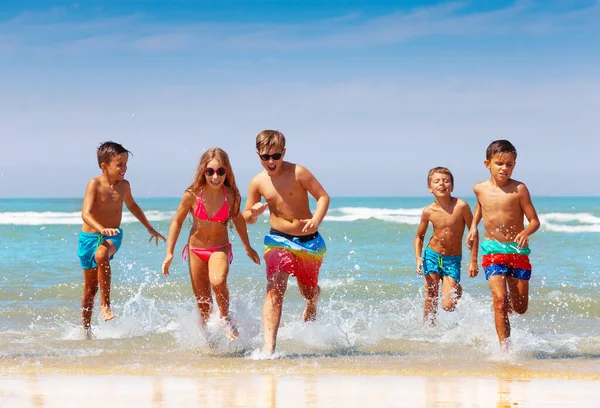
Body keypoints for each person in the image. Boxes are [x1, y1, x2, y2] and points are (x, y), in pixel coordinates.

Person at [243, 130, 330, 356]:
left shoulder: (298, 172)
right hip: (277, 240)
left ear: (284, 152)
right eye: (265, 157)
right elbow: (247, 218)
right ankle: (269, 348)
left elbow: (323, 196)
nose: (271, 162)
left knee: (308, 291)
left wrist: (316, 219)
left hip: (309, 241)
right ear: (258, 155)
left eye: (276, 156)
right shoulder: (257, 182)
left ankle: (312, 302)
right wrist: (253, 212)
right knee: (275, 286)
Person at [162, 147, 260, 342]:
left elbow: (239, 220)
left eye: (220, 171)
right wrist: (169, 253)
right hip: (196, 250)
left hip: (219, 248)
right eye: (210, 172)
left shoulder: (231, 196)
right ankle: (210, 346)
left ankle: (224, 317)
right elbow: (177, 222)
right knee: (203, 305)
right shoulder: (192, 194)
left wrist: (248, 247)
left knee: (218, 281)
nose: (215, 177)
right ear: (203, 172)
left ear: (227, 172)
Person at [79, 141, 165, 334]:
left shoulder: (124, 186)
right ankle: (86, 331)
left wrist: (150, 228)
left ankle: (105, 305)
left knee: (102, 255)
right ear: (104, 166)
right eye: (119, 164)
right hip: (89, 237)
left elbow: (132, 206)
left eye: (126, 164)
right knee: (89, 290)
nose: (124, 168)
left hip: (113, 235)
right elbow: (85, 214)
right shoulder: (94, 184)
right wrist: (101, 229)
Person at [465, 140, 540, 350]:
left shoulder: (519, 189)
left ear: (514, 165)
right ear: (487, 163)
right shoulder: (479, 188)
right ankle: (505, 350)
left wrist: (526, 231)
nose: (504, 168)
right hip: (492, 250)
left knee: (520, 307)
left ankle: (506, 311)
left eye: (509, 164)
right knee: (499, 301)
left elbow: (535, 221)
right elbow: (481, 206)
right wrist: (473, 226)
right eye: (499, 163)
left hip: (517, 252)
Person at [414, 167, 478, 325]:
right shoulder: (428, 211)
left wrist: (473, 260)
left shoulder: (461, 206)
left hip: (452, 259)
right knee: (431, 295)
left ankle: (457, 288)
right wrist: (418, 257)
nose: (441, 183)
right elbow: (419, 237)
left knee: (448, 305)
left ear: (452, 186)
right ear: (430, 188)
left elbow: (474, 232)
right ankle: (429, 328)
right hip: (432, 255)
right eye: (436, 181)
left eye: (446, 180)